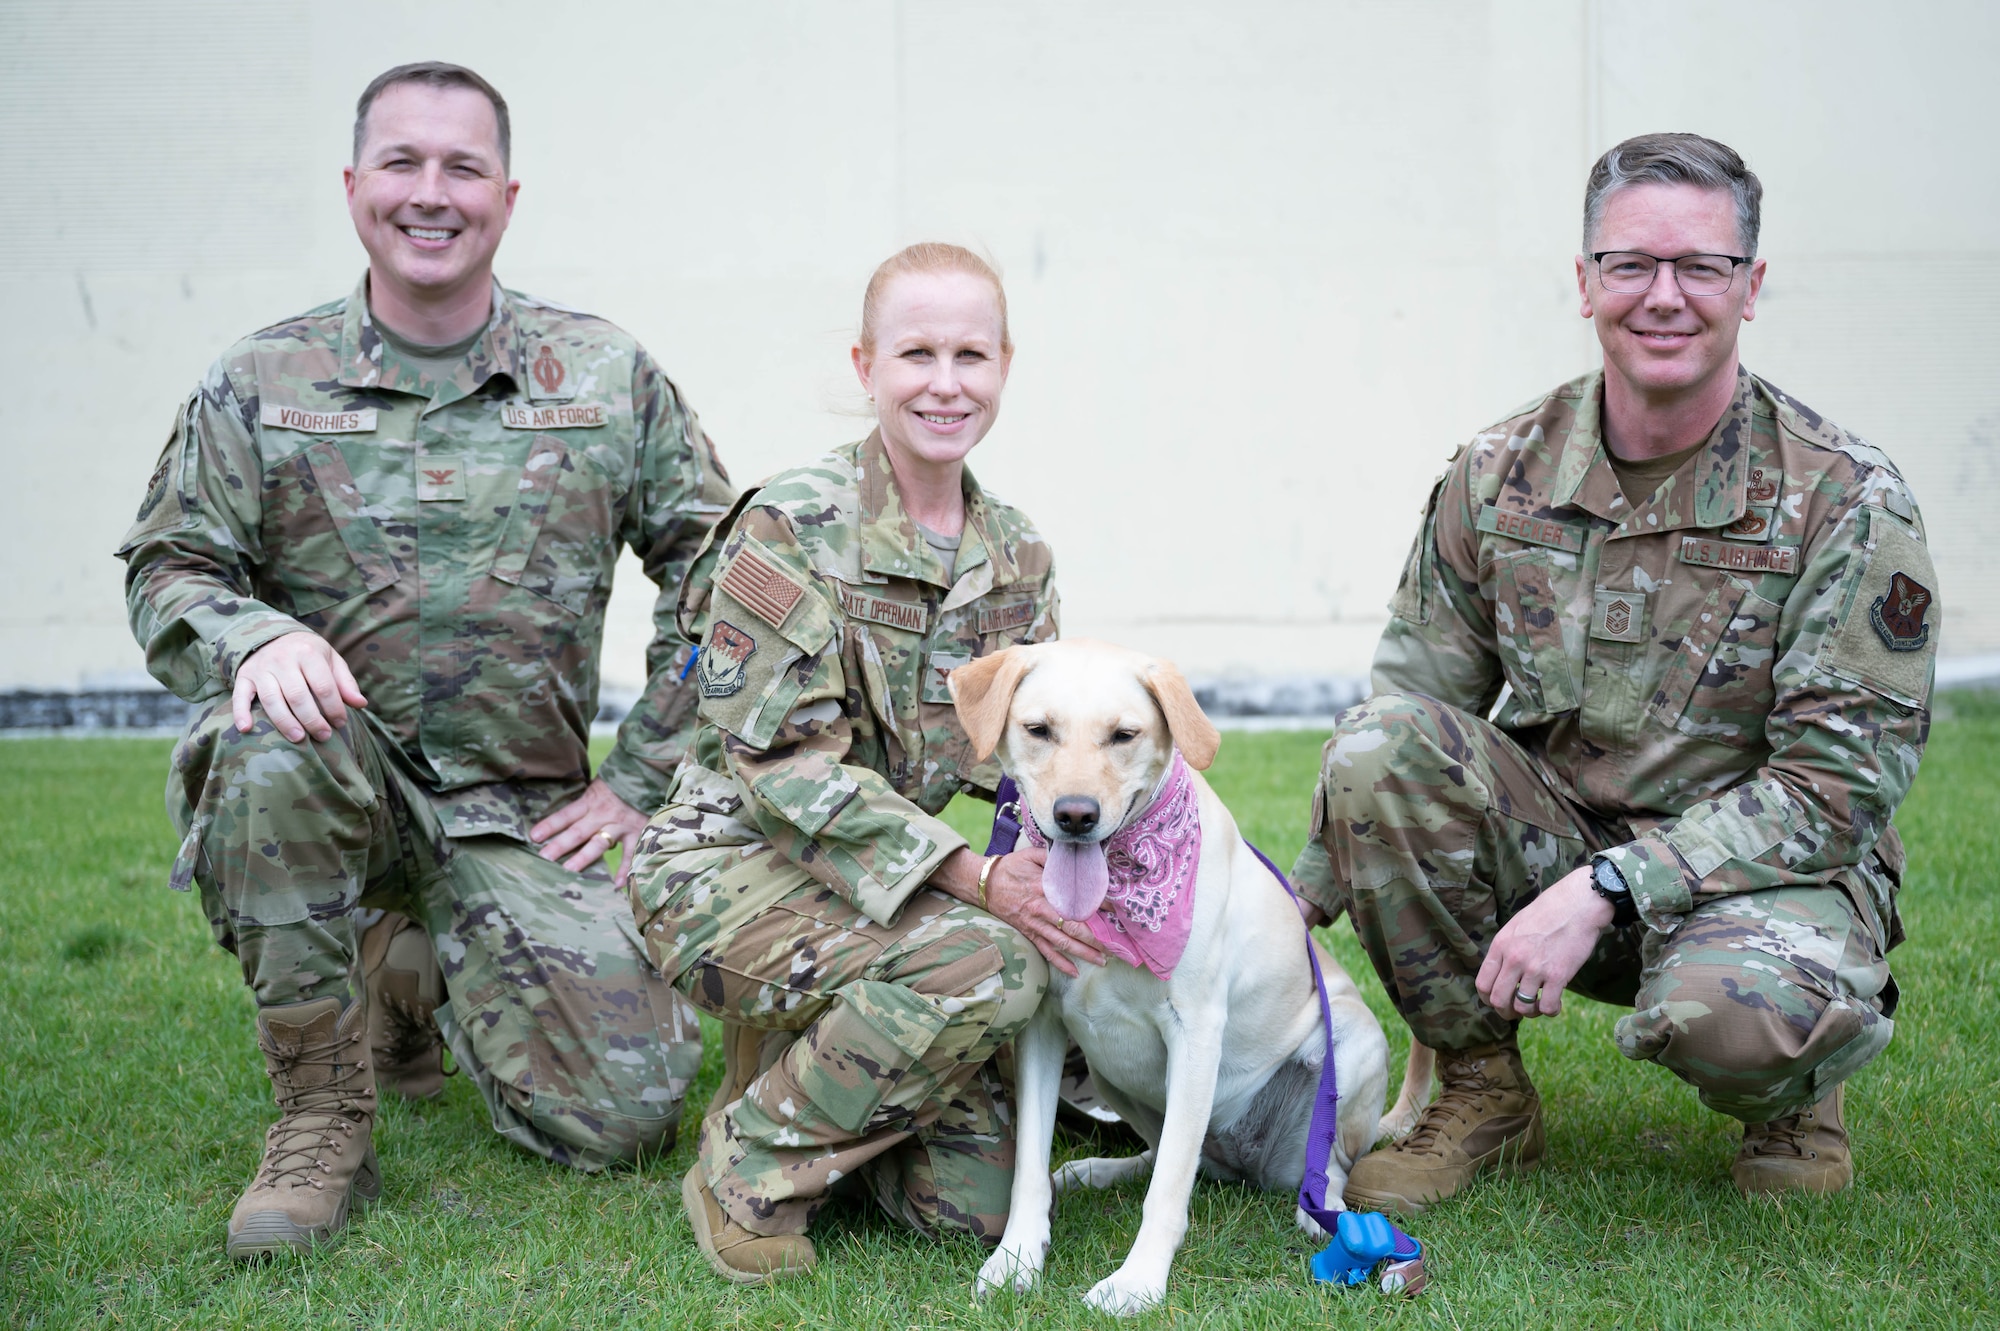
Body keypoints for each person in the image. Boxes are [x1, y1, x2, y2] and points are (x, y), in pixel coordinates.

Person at [116, 62, 732, 1259]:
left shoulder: (603, 377)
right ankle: (321, 1116)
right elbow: (168, 567)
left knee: (630, 1114)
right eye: (402, 162)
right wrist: (260, 633)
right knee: (260, 742)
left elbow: (725, 575)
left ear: (506, 193)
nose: (430, 192)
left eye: (461, 166)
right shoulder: (260, 381)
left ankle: (411, 972)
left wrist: (645, 771)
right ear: (354, 185)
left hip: (525, 810)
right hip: (337, 778)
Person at [1291, 133, 1935, 1212]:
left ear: (1751, 286)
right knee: (1375, 750)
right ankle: (1482, 1089)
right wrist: (1290, 892)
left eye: (1700, 266)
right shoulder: (1499, 472)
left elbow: (1836, 787)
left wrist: (1607, 888)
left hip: (1765, 877)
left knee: (1735, 1019)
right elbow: (1410, 712)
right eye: (1630, 263)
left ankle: (1792, 1086)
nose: (1663, 296)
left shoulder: (1844, 496)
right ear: (1584, 281)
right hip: (1560, 852)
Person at [626, 243, 1098, 1285]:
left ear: (1004, 365)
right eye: (915, 353)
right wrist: (979, 885)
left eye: (970, 354)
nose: (944, 382)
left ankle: (807, 1066)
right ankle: (748, 1164)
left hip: (884, 889)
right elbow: (786, 770)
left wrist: (1090, 861)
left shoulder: (1018, 559)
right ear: (864, 365)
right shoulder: (790, 523)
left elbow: (1031, 755)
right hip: (729, 867)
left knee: (964, 1210)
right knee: (993, 962)